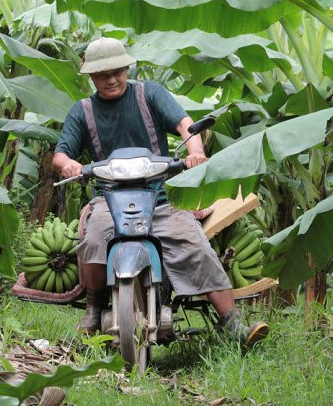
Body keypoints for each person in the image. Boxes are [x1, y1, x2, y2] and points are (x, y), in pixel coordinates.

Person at [52, 37, 268, 348]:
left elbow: (185, 124)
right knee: (93, 238)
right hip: (110, 200)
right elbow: (60, 154)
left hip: (161, 199)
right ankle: (94, 309)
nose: (111, 79)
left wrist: (194, 152)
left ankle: (231, 322)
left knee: (194, 241)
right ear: (91, 77)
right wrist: (69, 165)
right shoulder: (82, 111)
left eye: (117, 71)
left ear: (127, 68)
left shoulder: (148, 94)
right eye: (102, 75)